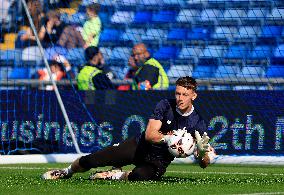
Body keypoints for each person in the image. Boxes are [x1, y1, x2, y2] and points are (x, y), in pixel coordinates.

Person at [42, 76, 215, 181]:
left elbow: (204, 164)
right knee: (90, 160)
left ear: (194, 95)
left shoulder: (198, 123)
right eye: (177, 93)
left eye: (185, 94)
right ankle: (66, 171)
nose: (180, 98)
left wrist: (201, 154)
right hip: (138, 147)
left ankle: (114, 175)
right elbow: (149, 134)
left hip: (158, 161)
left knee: (138, 177)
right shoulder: (165, 105)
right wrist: (170, 138)